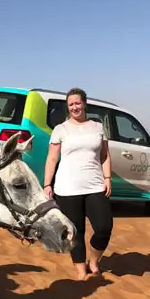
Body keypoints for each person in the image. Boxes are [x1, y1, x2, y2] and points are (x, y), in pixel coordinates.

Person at [43, 88, 113, 280]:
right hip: (67, 187)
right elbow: (51, 159)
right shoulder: (61, 129)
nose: (75, 107)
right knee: (75, 231)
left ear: (84, 104)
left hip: (95, 185)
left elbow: (105, 155)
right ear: (68, 107)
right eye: (71, 104)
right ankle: (81, 271)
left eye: (77, 103)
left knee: (104, 227)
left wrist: (108, 178)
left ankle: (94, 261)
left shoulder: (98, 127)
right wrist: (47, 184)